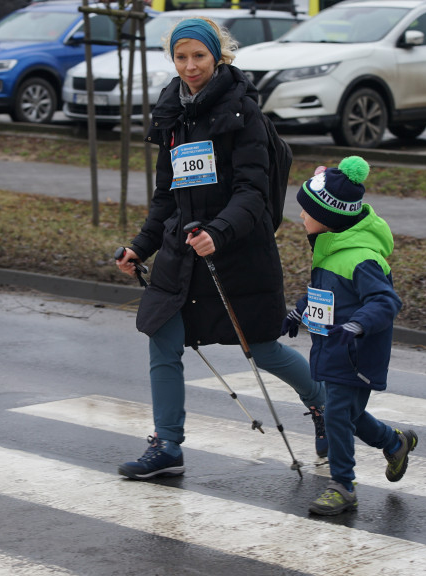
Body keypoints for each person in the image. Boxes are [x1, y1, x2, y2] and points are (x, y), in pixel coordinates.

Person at [114, 17, 327, 480]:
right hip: (182, 252)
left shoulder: (243, 111)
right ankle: (167, 446)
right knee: (163, 341)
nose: (190, 66)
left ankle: (324, 408)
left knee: (265, 349)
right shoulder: (172, 113)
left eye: (199, 56)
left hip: (239, 254)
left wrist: (220, 232)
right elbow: (166, 196)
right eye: (181, 56)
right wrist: (140, 247)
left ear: (218, 56)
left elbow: (252, 192)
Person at [280, 156, 415, 516]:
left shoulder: (362, 259)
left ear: (330, 218)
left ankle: (343, 485)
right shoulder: (330, 249)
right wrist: (299, 309)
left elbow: (386, 301)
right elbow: (323, 292)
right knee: (348, 415)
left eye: (306, 211)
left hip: (357, 352)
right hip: (332, 348)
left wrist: (358, 325)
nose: (301, 217)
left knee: (338, 414)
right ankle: (394, 442)